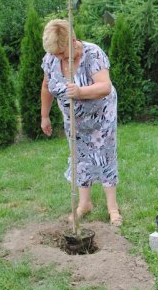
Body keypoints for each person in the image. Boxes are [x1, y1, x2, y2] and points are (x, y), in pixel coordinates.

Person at [41, 19, 122, 226]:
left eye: (61, 53)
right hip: (74, 121)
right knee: (79, 157)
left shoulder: (92, 53)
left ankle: (113, 208)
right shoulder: (51, 59)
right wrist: (45, 115)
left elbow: (105, 86)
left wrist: (80, 92)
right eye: (55, 54)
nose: (58, 57)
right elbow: (47, 86)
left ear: (73, 41)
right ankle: (84, 204)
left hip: (101, 116)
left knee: (105, 156)